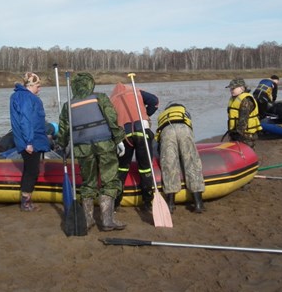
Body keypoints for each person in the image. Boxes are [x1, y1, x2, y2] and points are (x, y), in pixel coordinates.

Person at [57, 72, 126, 231]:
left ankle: (88, 220)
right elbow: (111, 118)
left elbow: (63, 129)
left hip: (82, 147)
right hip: (104, 145)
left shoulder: (68, 105)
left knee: (88, 182)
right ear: (91, 84)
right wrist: (119, 140)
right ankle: (107, 220)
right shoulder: (100, 98)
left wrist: (62, 144)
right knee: (110, 179)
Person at [109, 82, 159, 212]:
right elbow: (155, 101)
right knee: (145, 169)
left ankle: (115, 203)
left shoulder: (111, 99)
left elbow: (109, 121)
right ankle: (148, 203)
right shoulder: (136, 92)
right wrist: (146, 114)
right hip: (142, 131)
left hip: (125, 136)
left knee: (122, 168)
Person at [9, 72, 51, 211]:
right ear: (31, 85)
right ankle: (26, 203)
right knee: (32, 171)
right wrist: (28, 142)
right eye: (38, 86)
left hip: (31, 138)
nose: (40, 89)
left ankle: (26, 201)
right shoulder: (27, 98)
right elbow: (26, 120)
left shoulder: (19, 96)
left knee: (29, 169)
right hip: (30, 141)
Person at [156, 102, 206, 214]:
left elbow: (158, 140)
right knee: (192, 163)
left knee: (169, 166)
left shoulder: (163, 115)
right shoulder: (184, 112)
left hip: (167, 131)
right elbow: (190, 130)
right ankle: (198, 204)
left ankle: (170, 204)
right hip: (184, 129)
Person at [226, 78, 262, 148]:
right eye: (230, 89)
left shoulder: (246, 100)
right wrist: (232, 132)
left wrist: (238, 134)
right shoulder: (234, 99)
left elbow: (243, 120)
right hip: (235, 133)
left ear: (242, 88)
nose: (231, 90)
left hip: (246, 135)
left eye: (233, 88)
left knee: (247, 151)